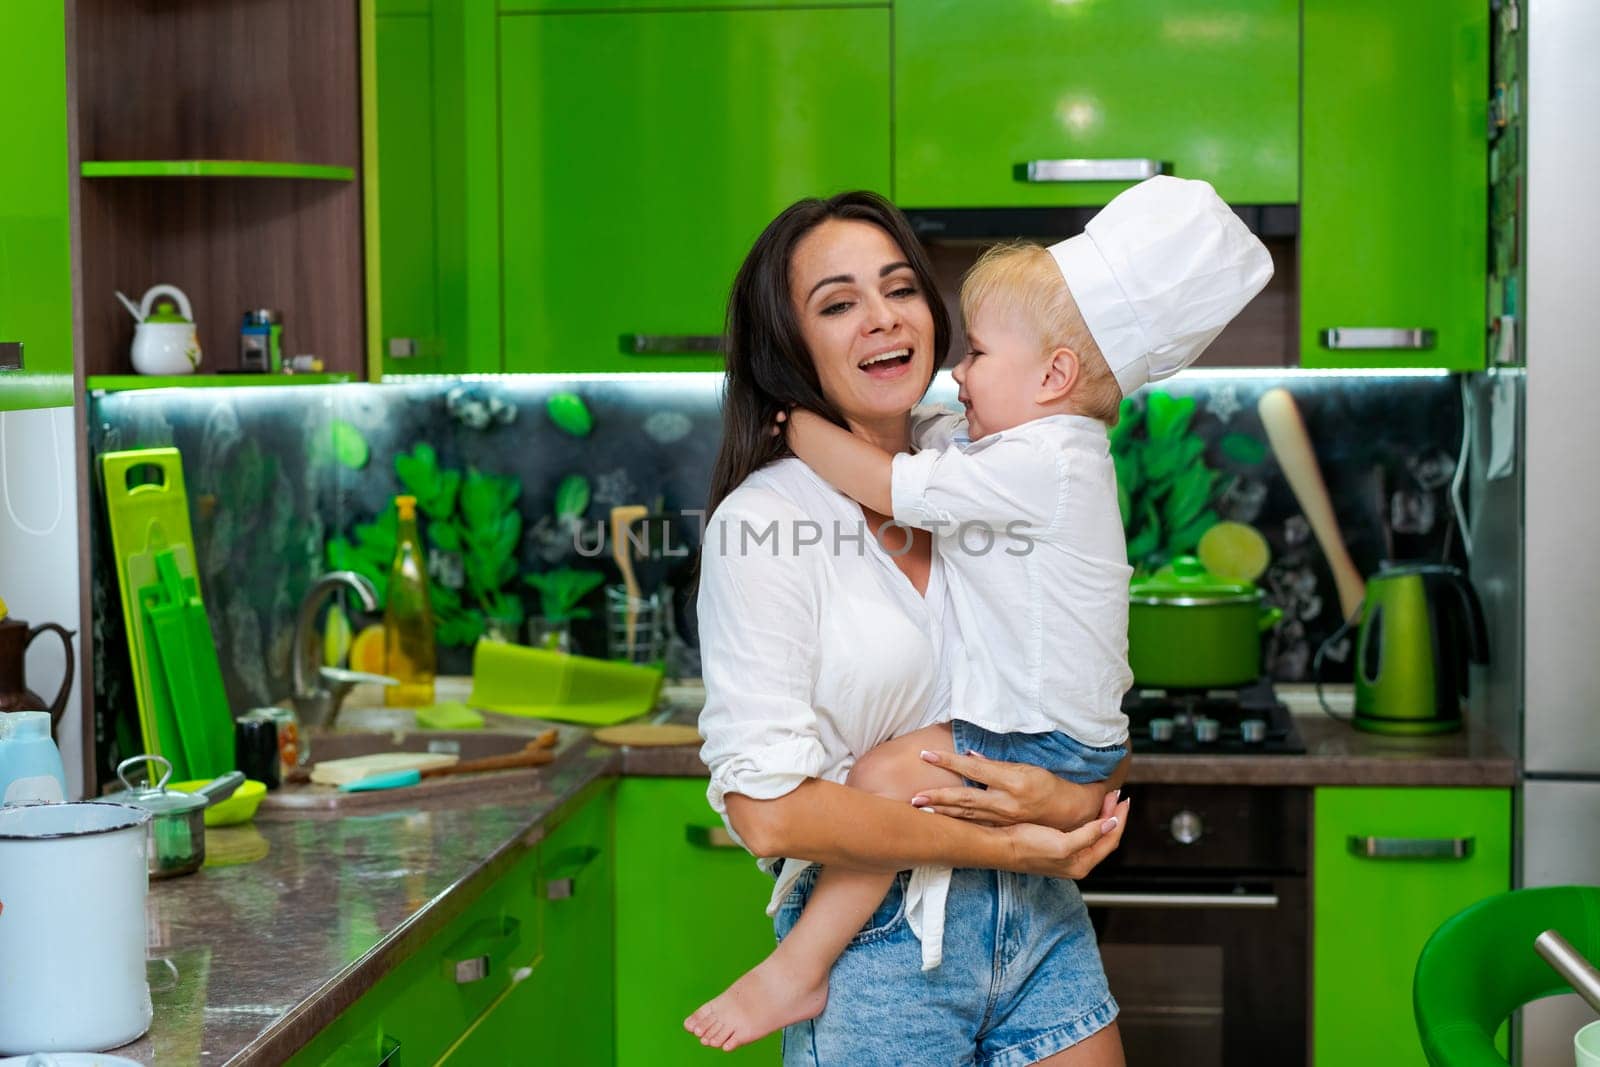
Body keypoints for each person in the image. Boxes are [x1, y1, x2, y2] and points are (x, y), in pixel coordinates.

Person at [688, 176, 1274, 1060]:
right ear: (791, 344)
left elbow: (1064, 682)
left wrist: (1070, 794)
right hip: (882, 949)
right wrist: (1022, 841)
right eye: (839, 302)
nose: (884, 317)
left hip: (1043, 930)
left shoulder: (994, 454)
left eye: (898, 287)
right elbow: (764, 813)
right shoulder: (765, 521)